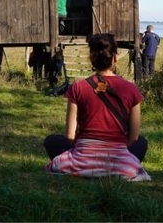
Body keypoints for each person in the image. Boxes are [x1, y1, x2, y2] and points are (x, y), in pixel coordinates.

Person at [43, 33, 151, 181]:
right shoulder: (131, 89)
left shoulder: (78, 87)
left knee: (52, 141)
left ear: (91, 58)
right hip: (119, 155)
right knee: (141, 142)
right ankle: (118, 167)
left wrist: (88, 149)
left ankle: (86, 167)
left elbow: (70, 135)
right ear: (115, 58)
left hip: (83, 154)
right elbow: (133, 137)